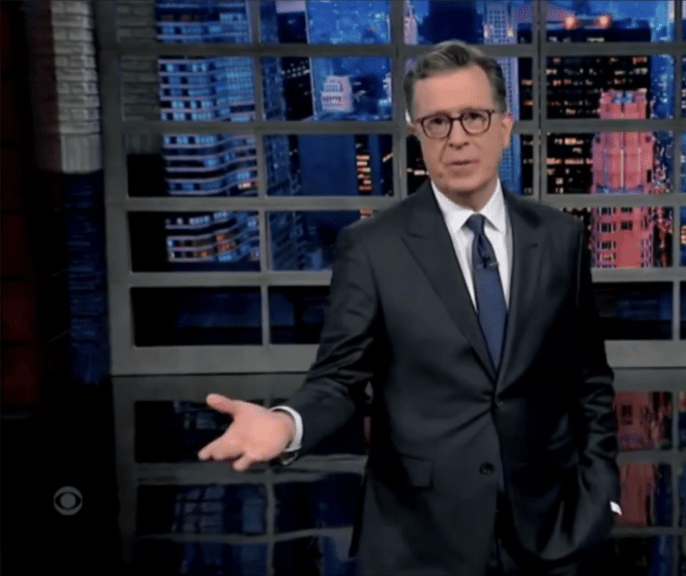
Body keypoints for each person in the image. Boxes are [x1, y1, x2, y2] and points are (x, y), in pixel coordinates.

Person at [198, 40, 620, 576]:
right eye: (438, 122)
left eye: (473, 117)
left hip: (551, 532)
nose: (458, 138)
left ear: (505, 125)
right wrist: (288, 424)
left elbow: (589, 381)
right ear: (418, 133)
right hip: (418, 539)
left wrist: (604, 494)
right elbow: (339, 380)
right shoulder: (372, 247)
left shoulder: (560, 238)